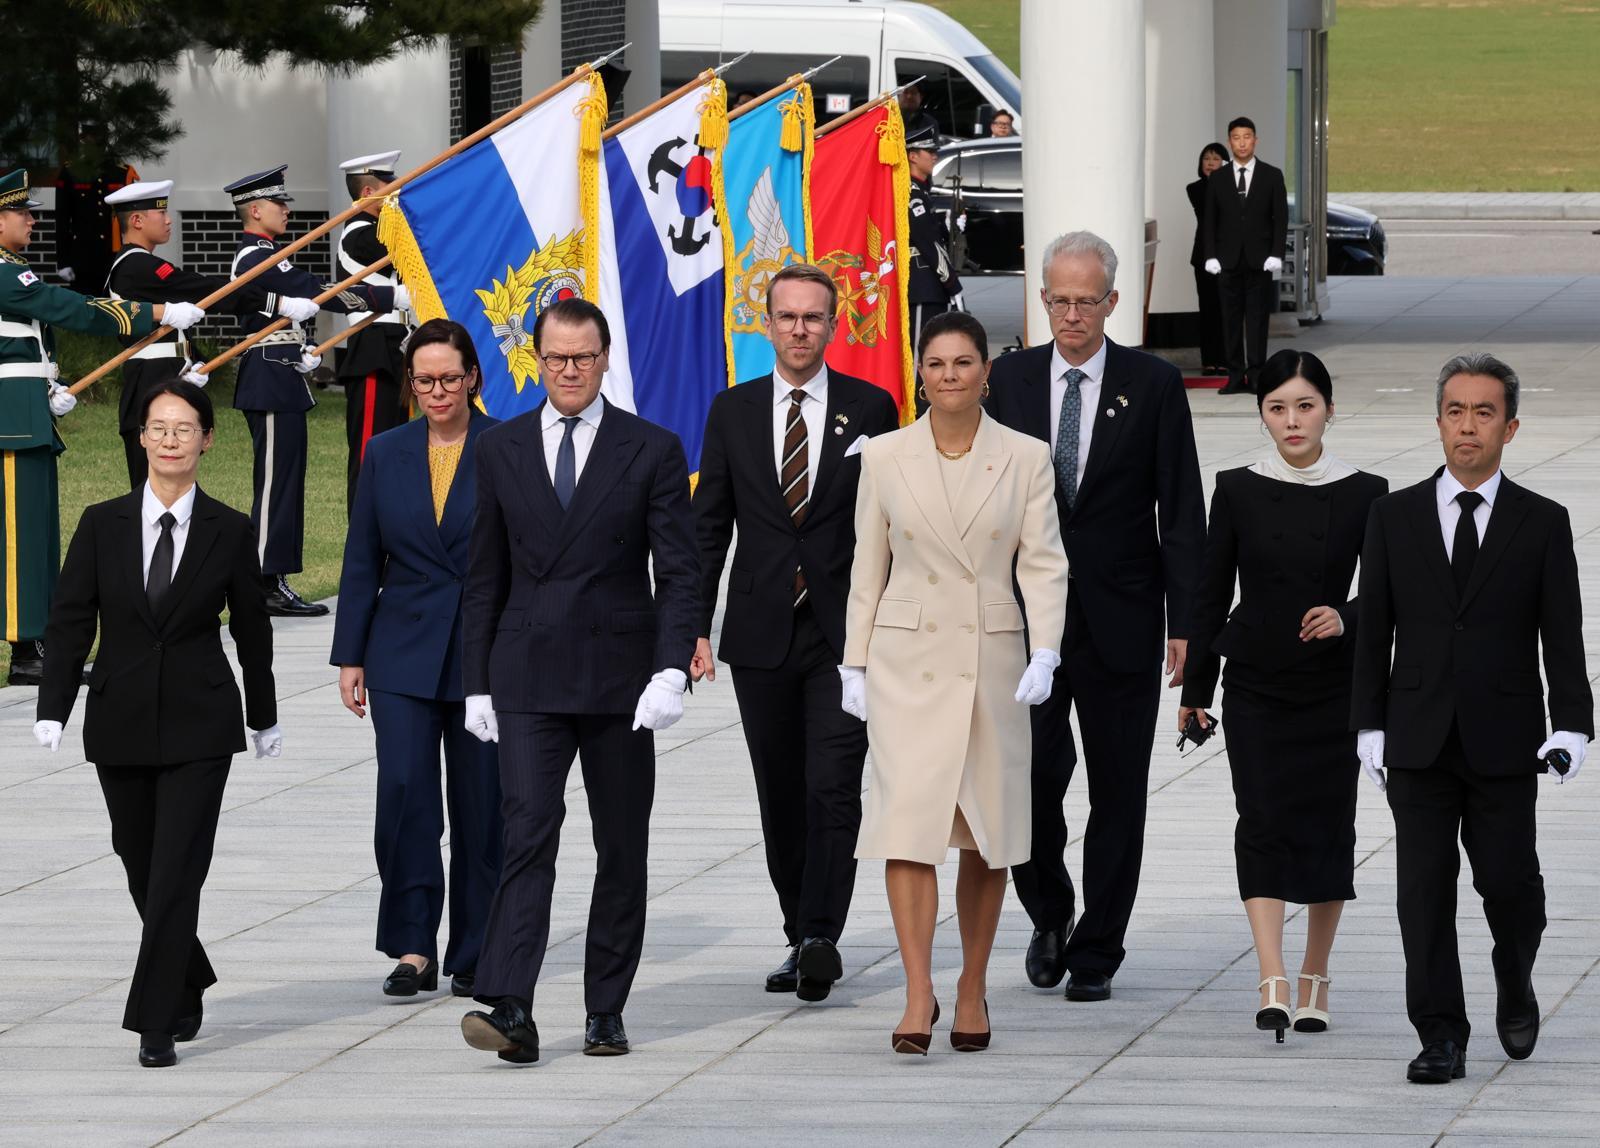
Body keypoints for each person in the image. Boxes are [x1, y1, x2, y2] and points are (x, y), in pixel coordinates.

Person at [457, 298, 699, 1064]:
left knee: (620, 845)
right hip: (526, 673)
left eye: (582, 358)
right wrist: (475, 683)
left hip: (620, 681)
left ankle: (605, 1006)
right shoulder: (500, 450)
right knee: (527, 830)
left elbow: (680, 570)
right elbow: (483, 575)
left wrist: (670, 668)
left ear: (604, 360)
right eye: (556, 358)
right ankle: (511, 1003)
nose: (568, 371)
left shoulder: (650, 448)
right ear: (538, 360)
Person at [1353, 353, 1592, 1084]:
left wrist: (1573, 724)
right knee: (1421, 893)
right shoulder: (1391, 516)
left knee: (1511, 886)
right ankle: (1440, 1034)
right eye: (1455, 410)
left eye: (1484, 412)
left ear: (1510, 427)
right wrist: (1368, 722)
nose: (1468, 426)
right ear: (1437, 422)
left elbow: (1564, 634)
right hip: (1418, 736)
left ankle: (1515, 979)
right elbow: (1374, 632)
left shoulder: (1543, 523)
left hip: (1505, 738)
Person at [32, 378, 280, 1069]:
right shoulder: (101, 522)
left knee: (177, 870)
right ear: (140, 439)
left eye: (184, 428)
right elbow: (72, 619)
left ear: (206, 439)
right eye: (158, 428)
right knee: (138, 860)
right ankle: (187, 970)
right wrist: (54, 706)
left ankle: (155, 1019)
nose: (171, 439)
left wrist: (263, 715)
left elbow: (252, 633)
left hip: (203, 724)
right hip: (121, 717)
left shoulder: (229, 528)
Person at [986, 230, 1205, 1002]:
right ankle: (1048, 914)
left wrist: (1188, 624)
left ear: (1114, 301)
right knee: (1031, 783)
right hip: (1025, 627)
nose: (1072, 315)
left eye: (1086, 301)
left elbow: (1181, 510)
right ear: (1040, 300)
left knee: (1118, 791)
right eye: (1059, 300)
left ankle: (1098, 950)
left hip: (1122, 619)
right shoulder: (1005, 381)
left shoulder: (1151, 385)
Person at [842, 310, 1069, 1054]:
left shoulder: (1026, 456)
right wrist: (854, 661)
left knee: (984, 835)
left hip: (990, 665)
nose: (949, 376)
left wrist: (1046, 650)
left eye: (963, 363)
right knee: (908, 831)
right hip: (907, 667)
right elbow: (866, 568)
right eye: (935, 364)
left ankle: (971, 987)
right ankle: (917, 993)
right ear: (918, 373)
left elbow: (1042, 560)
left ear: (986, 371)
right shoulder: (884, 457)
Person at [691, 263, 900, 1002]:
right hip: (760, 633)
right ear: (767, 323)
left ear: (833, 324)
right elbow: (708, 527)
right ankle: (795, 929)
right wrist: (693, 627)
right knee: (780, 791)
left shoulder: (873, 408)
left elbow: (891, 527)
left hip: (846, 636)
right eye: (787, 317)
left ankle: (820, 933)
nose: (801, 330)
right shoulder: (733, 412)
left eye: (814, 318)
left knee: (833, 786)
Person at [1178, 349, 1388, 1040]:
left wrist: (1346, 616)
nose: (1292, 420)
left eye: (1304, 405)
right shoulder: (1237, 487)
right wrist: (1196, 691)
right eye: (1277, 407)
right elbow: (1210, 595)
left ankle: (1315, 974)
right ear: (1261, 413)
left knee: (1330, 827)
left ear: (1329, 406)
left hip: (1334, 685)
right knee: (1260, 819)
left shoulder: (1366, 490)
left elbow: (1392, 595)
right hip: (1258, 682)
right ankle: (1271, 974)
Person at [330, 318, 502, 1001]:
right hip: (399, 651)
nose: (437, 391)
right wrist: (350, 653)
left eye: (449, 378)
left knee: (482, 804)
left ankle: (477, 947)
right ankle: (411, 945)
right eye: (424, 379)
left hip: (484, 656)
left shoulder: (507, 446)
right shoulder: (386, 451)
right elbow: (361, 556)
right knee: (403, 794)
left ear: (473, 378)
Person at [0, 168, 206, 686]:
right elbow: (63, 306)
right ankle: (27, 649)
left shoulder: (12, 269)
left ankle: (37, 639)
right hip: (11, 419)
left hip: (27, 413)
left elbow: (28, 343)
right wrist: (154, 311)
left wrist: (54, 384)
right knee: (22, 535)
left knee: (40, 532)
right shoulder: (4, 273)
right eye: (20, 212)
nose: (29, 219)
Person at [221, 164, 407, 618]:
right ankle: (264, 578)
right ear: (257, 209)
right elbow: (307, 290)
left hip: (282, 372)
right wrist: (389, 299)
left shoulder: (270, 252)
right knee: (274, 483)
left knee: (287, 480)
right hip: (266, 374)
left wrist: (303, 345)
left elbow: (301, 297)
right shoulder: (253, 255)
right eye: (279, 203)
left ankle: (275, 575)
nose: (287, 209)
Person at [104, 179, 320, 488]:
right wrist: (277, 302)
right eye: (160, 213)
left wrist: (194, 361)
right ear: (136, 220)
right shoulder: (135, 265)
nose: (167, 220)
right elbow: (202, 288)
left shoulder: (143, 264)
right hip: (149, 381)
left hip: (164, 375)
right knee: (151, 490)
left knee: (175, 486)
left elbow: (173, 332)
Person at [335, 151, 413, 512]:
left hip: (396, 344)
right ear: (368, 192)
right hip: (373, 346)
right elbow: (411, 245)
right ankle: (364, 541)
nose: (396, 194)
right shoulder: (359, 234)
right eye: (390, 187)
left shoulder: (380, 229)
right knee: (371, 449)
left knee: (397, 448)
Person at [1202, 116, 1288, 396]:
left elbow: (1280, 218)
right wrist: (1211, 255)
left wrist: (1276, 253)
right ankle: (1235, 374)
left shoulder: (1271, 175)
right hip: (1227, 260)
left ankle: (1257, 374)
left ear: (1255, 140)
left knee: (1257, 319)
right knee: (1230, 319)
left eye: (1247, 137)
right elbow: (1209, 221)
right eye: (1236, 138)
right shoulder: (1218, 178)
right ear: (1230, 141)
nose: (1242, 142)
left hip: (1259, 259)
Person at [907, 120, 962, 402]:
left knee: (932, 348)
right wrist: (951, 282)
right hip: (921, 285)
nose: (935, 156)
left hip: (929, 286)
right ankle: (917, 408)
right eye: (929, 152)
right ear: (913, 155)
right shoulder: (910, 192)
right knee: (920, 353)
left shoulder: (922, 191)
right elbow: (927, 242)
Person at [1185, 143, 1229, 376]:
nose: (1210, 162)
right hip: (1203, 256)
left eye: (1215, 158)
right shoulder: (1195, 188)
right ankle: (1209, 360)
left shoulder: (1232, 187)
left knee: (1226, 308)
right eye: (1206, 159)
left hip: (1228, 256)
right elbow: (1208, 211)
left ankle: (1226, 359)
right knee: (1208, 308)